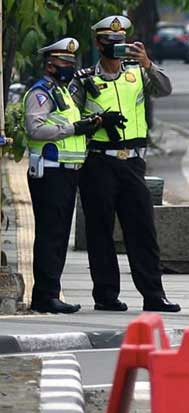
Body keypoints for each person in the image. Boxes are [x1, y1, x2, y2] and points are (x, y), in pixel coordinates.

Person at [72, 15, 180, 312]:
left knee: (143, 229)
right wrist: (95, 121)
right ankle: (106, 295)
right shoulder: (84, 80)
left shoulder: (136, 73)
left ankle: (154, 295)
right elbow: (71, 120)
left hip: (132, 163)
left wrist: (147, 63)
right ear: (98, 43)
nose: (116, 48)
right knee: (100, 230)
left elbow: (165, 89)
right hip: (98, 162)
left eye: (121, 43)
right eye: (110, 42)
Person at [23, 38, 102, 313]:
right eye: (63, 62)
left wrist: (87, 126)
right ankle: (45, 297)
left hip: (66, 174)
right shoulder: (41, 92)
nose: (68, 66)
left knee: (58, 236)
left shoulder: (63, 91)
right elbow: (35, 128)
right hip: (49, 172)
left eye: (71, 62)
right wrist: (74, 128)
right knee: (50, 236)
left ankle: (50, 293)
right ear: (50, 64)